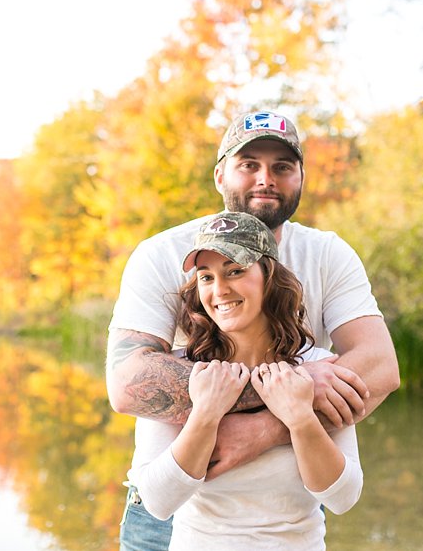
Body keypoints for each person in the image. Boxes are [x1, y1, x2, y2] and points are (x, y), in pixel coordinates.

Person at [108, 110, 399, 550]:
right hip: (171, 514)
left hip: (286, 509)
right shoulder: (162, 253)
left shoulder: (327, 254)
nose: (266, 178)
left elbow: (379, 369)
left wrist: (272, 426)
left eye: (282, 166)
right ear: (220, 173)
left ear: (300, 176)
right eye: (249, 164)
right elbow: (129, 385)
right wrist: (279, 393)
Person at [130, 211, 363, 549]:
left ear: (269, 277)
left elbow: (343, 497)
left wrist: (300, 419)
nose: (220, 290)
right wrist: (205, 415)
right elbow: (157, 501)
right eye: (206, 277)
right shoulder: (181, 375)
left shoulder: (319, 370)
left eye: (235, 272)